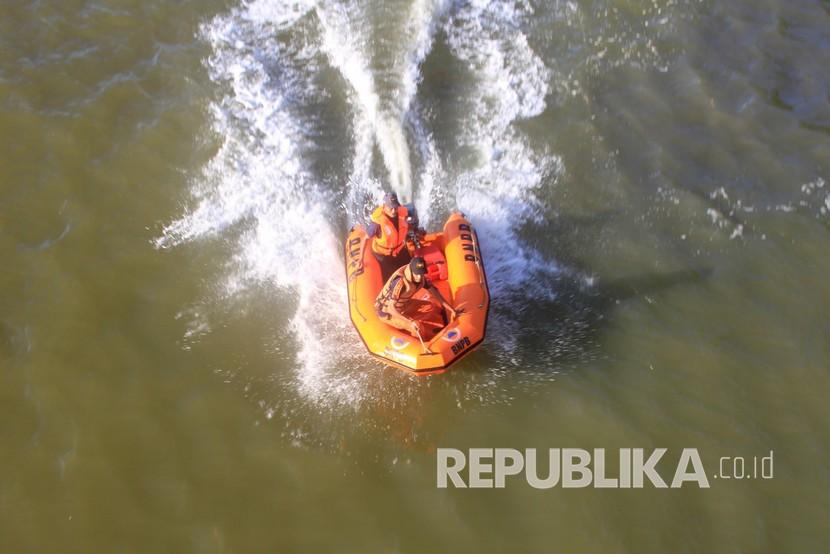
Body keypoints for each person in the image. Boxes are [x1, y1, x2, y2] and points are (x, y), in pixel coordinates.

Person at [375, 257, 459, 337]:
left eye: (421, 273)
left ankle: (444, 328)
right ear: (411, 271)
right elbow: (391, 309)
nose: (419, 277)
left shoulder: (421, 277)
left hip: (404, 304)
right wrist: (410, 321)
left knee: (432, 306)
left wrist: (451, 309)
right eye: (417, 274)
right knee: (417, 327)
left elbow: (435, 293)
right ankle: (427, 344)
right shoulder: (400, 284)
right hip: (387, 312)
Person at [367, 192, 417, 280]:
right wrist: (359, 261)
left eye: (395, 207)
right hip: (383, 255)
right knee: (391, 278)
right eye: (391, 208)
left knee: (411, 267)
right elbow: (366, 237)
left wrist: (414, 228)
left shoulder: (402, 212)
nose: (393, 210)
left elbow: (411, 210)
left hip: (398, 249)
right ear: (385, 206)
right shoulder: (377, 223)